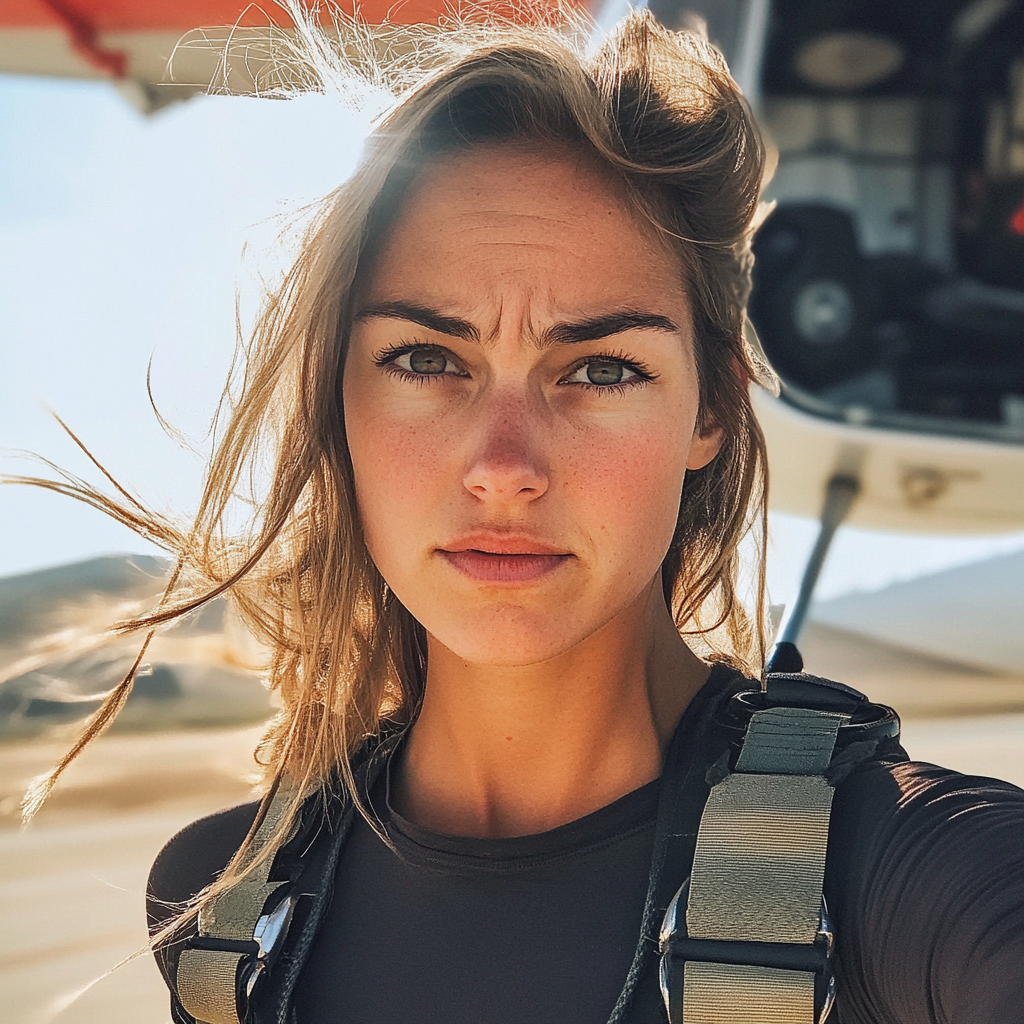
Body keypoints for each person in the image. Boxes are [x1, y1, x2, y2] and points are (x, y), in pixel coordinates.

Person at [20, 7, 1024, 1024]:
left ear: (711, 407)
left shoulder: (908, 878)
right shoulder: (219, 917)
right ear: (336, 397)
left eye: (599, 369)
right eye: (425, 359)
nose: (502, 467)